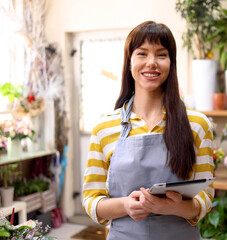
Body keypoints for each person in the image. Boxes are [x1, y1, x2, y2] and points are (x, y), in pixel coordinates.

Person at [82, 21, 215, 240]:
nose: (151, 63)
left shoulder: (197, 124)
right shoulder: (104, 128)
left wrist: (174, 208)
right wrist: (126, 205)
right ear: (129, 62)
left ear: (171, 63)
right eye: (142, 54)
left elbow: (205, 198)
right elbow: (91, 201)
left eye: (161, 55)